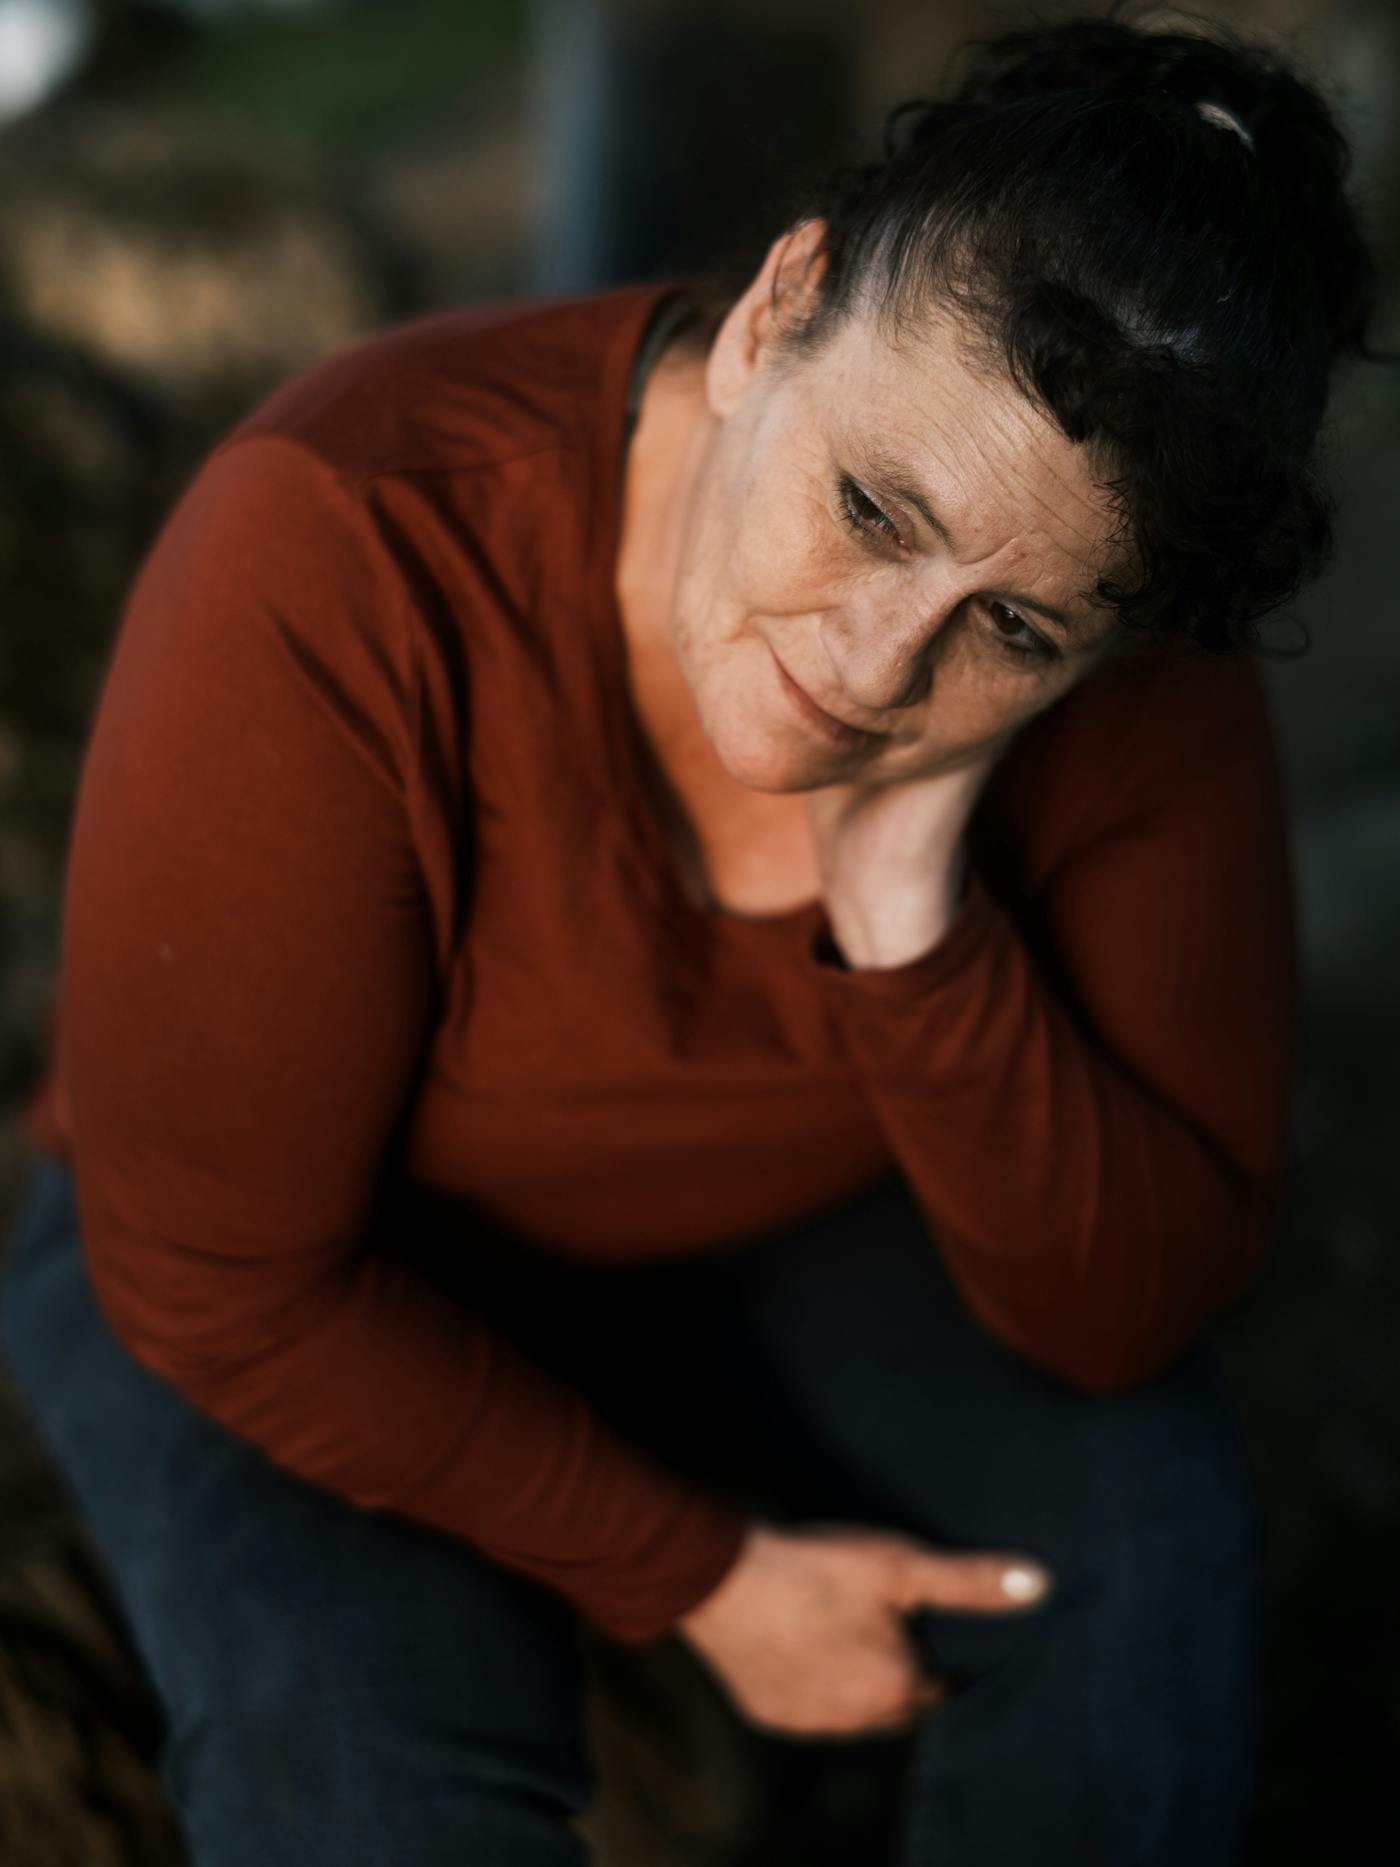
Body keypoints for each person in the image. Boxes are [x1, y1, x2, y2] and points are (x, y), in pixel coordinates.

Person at [0, 11, 1387, 1864]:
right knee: (365, 1768)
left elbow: (1125, 1309)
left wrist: (912, 919)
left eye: (1017, 634)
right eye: (873, 509)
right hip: (300, 1268)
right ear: (772, 311)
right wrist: (707, 1575)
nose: (881, 665)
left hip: (765, 1220)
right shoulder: (350, 542)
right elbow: (218, 1277)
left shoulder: (1126, 704)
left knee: (1132, 1555)